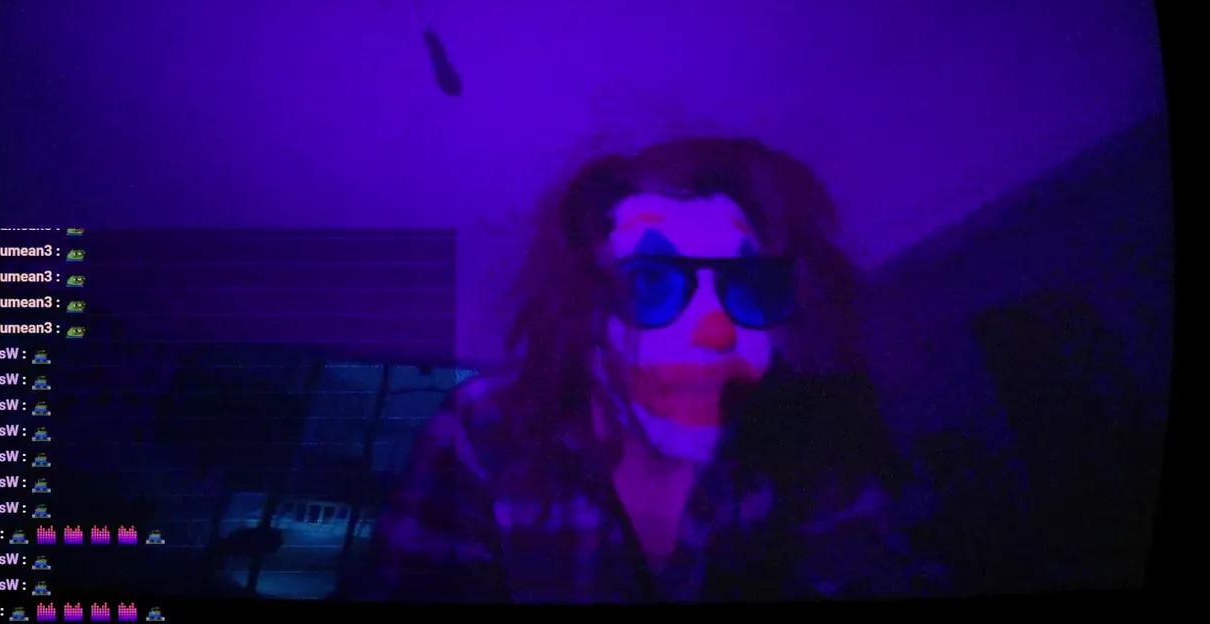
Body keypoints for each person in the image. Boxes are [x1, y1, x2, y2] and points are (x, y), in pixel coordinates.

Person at [371, 136, 947, 601]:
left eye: (747, 283)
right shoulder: (483, 431)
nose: (718, 331)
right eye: (649, 279)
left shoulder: (808, 445)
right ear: (582, 308)